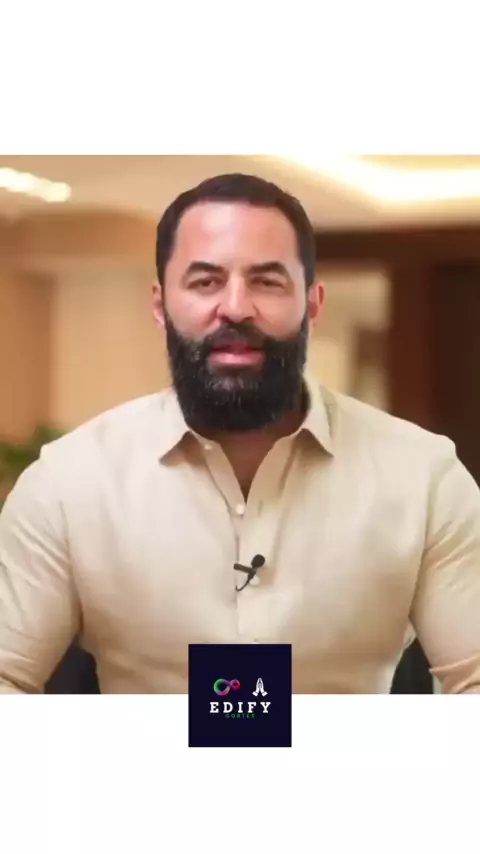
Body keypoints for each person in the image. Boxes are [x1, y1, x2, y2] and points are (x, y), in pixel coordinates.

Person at [1, 172, 480, 695]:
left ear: (312, 303)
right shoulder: (68, 482)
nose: (235, 307)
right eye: (205, 281)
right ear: (160, 305)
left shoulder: (424, 477)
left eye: (267, 281)